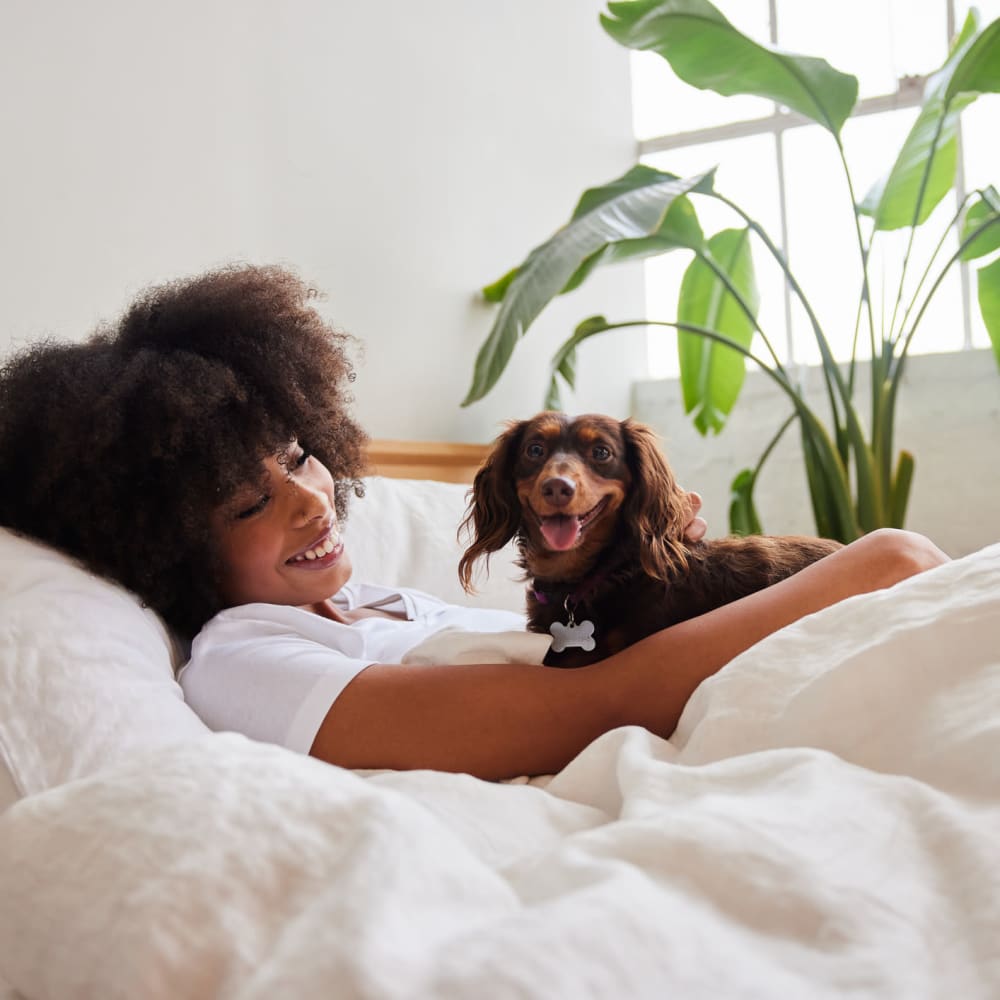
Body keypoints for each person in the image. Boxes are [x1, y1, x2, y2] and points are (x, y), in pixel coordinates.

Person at [0, 264, 950, 781]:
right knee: (905, 557)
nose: (309, 498)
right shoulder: (247, 660)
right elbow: (596, 707)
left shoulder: (381, 604)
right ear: (168, 548)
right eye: (250, 503)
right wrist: (864, 567)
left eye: (298, 455)